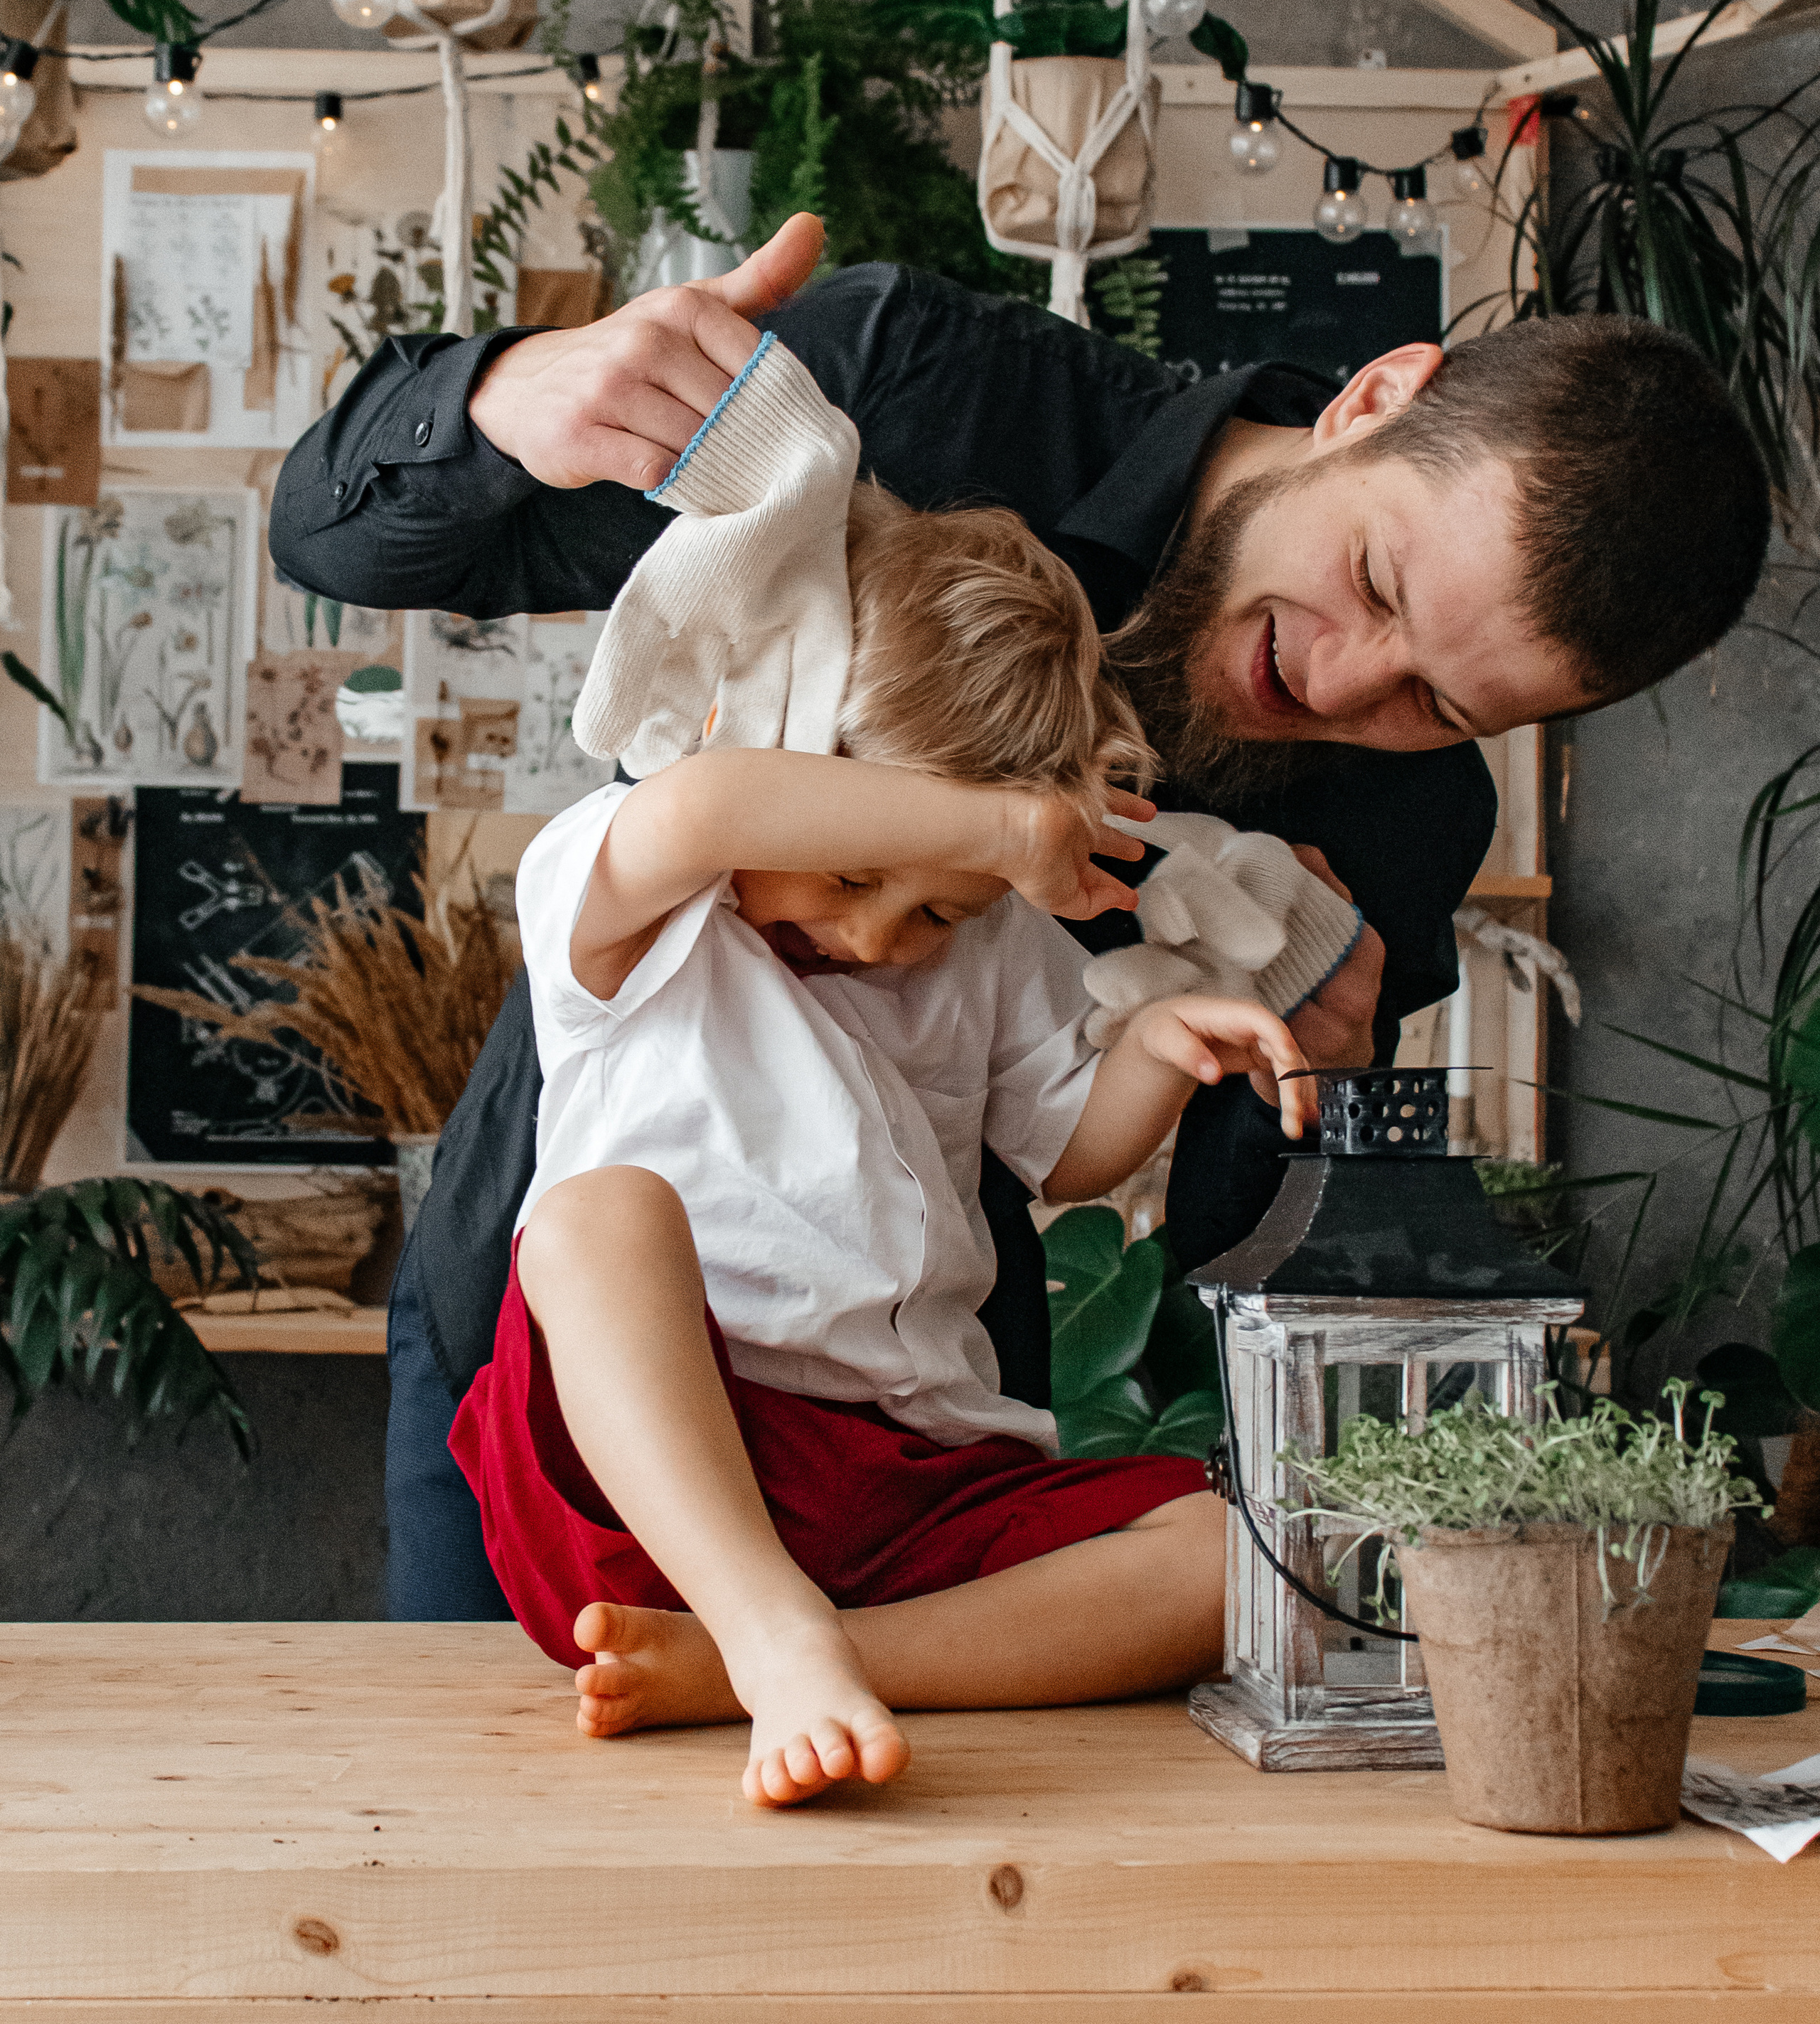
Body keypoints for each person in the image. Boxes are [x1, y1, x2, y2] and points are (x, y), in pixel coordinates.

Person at [268, 213, 1773, 1622]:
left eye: (1430, 700)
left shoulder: (1406, 817)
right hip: (557, 1347)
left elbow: (1202, 1239)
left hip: (908, 1423)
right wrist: (522, 393)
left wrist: (1301, 1088)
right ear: (1374, 396)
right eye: (1369, 579)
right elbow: (334, 538)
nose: (1334, 682)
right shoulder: (916, 396)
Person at [454, 346, 1312, 1801]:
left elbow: (1065, 1155)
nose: (875, 933)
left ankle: (772, 1656)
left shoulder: (982, 953)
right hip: (655, 1483)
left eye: (933, 913)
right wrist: (988, 843)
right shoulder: (639, 910)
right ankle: (760, 1614)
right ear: (789, 755)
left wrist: (1159, 1051)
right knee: (595, 1219)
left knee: (1242, 1564)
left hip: (907, 1479)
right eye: (855, 871)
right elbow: (707, 803)